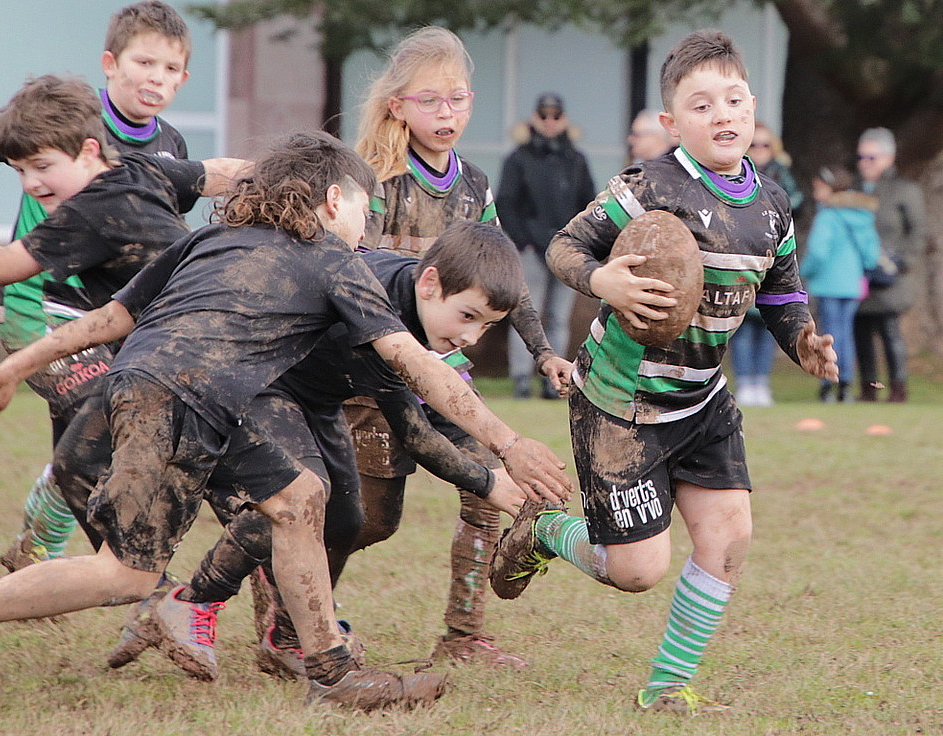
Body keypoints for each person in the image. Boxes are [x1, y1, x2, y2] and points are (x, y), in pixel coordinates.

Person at [0, 132, 569, 711]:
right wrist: (506, 441)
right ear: (332, 200)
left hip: (158, 389)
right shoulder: (332, 258)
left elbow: (111, 322)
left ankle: (330, 673)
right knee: (132, 571)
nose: (366, 223)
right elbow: (408, 358)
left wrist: (12, 370)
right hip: (182, 397)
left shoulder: (211, 238)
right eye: (364, 208)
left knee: (281, 507)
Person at [491, 30, 838, 715]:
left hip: (701, 402)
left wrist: (803, 341)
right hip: (620, 403)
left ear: (753, 107)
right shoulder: (649, 184)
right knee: (637, 571)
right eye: (702, 105)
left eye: (734, 99)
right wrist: (604, 282)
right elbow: (565, 246)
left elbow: (780, 292)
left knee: (730, 535)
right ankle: (544, 530)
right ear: (673, 124)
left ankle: (666, 690)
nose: (723, 114)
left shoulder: (771, 204)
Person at [104, 222, 550, 681]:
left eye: (488, 326)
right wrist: (488, 480)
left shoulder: (421, 319)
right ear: (430, 283)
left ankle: (287, 635)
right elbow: (414, 433)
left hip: (319, 397)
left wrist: (491, 476)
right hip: (264, 380)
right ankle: (193, 601)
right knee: (295, 497)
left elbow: (418, 421)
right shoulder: (375, 291)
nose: (473, 338)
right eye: (468, 316)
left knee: (345, 521)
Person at [349, 25, 573, 668]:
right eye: (430, 101)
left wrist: (543, 351)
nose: (446, 114)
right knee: (368, 519)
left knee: (488, 485)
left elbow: (506, 280)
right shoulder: (376, 181)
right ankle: (284, 603)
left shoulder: (475, 186)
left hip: (447, 377)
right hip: (372, 375)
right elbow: (346, 279)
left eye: (458, 99)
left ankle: (463, 636)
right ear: (398, 106)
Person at [0, 1, 193, 571]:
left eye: (168, 68)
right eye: (143, 62)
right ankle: (120, 574)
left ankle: (38, 548)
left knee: (104, 432)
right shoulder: (71, 121)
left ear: (183, 78)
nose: (153, 78)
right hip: (40, 304)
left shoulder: (172, 146)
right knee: (95, 428)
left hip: (116, 314)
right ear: (111, 64)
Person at [496, 93, 596, 399]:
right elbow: (506, 204)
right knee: (527, 314)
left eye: (555, 116)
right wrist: (522, 242)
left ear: (564, 119)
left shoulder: (576, 160)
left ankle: (555, 379)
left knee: (558, 317)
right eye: (544, 116)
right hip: (530, 250)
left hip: (567, 249)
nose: (550, 122)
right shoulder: (518, 158)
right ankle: (522, 379)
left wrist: (582, 242)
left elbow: (589, 203)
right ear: (534, 119)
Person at [730, 121, 805, 407]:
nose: (759, 151)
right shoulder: (735, 172)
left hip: (772, 258)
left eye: (765, 145)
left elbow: (796, 200)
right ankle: (745, 381)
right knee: (740, 324)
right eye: (754, 145)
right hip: (740, 257)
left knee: (768, 324)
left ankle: (761, 381)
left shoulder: (780, 175)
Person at [854, 127, 926, 403]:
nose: (865, 164)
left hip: (891, 275)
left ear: (888, 158)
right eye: (862, 158)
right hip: (860, 275)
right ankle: (868, 387)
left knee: (889, 330)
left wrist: (902, 262)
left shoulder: (904, 190)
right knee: (861, 332)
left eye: (872, 158)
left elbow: (917, 232)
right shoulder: (854, 189)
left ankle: (898, 387)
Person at [801, 164, 880, 402]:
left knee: (831, 334)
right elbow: (872, 254)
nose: (815, 194)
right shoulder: (862, 216)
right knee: (846, 332)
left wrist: (804, 272)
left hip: (828, 283)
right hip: (853, 283)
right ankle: (845, 385)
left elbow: (818, 251)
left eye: (819, 188)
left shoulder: (828, 216)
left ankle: (828, 383)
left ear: (830, 189)